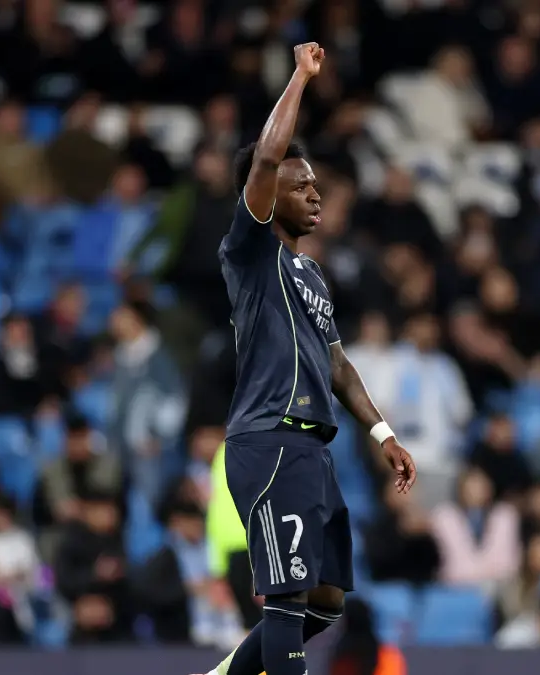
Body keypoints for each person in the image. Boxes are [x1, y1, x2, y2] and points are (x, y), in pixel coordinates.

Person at [194, 43, 416, 675]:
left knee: (326, 602)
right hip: (269, 440)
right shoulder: (250, 250)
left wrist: (383, 433)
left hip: (314, 448)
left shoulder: (313, 274)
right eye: (301, 184)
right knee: (288, 599)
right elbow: (267, 155)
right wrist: (300, 77)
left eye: (317, 184)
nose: (316, 194)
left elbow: (339, 364)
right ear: (266, 194)